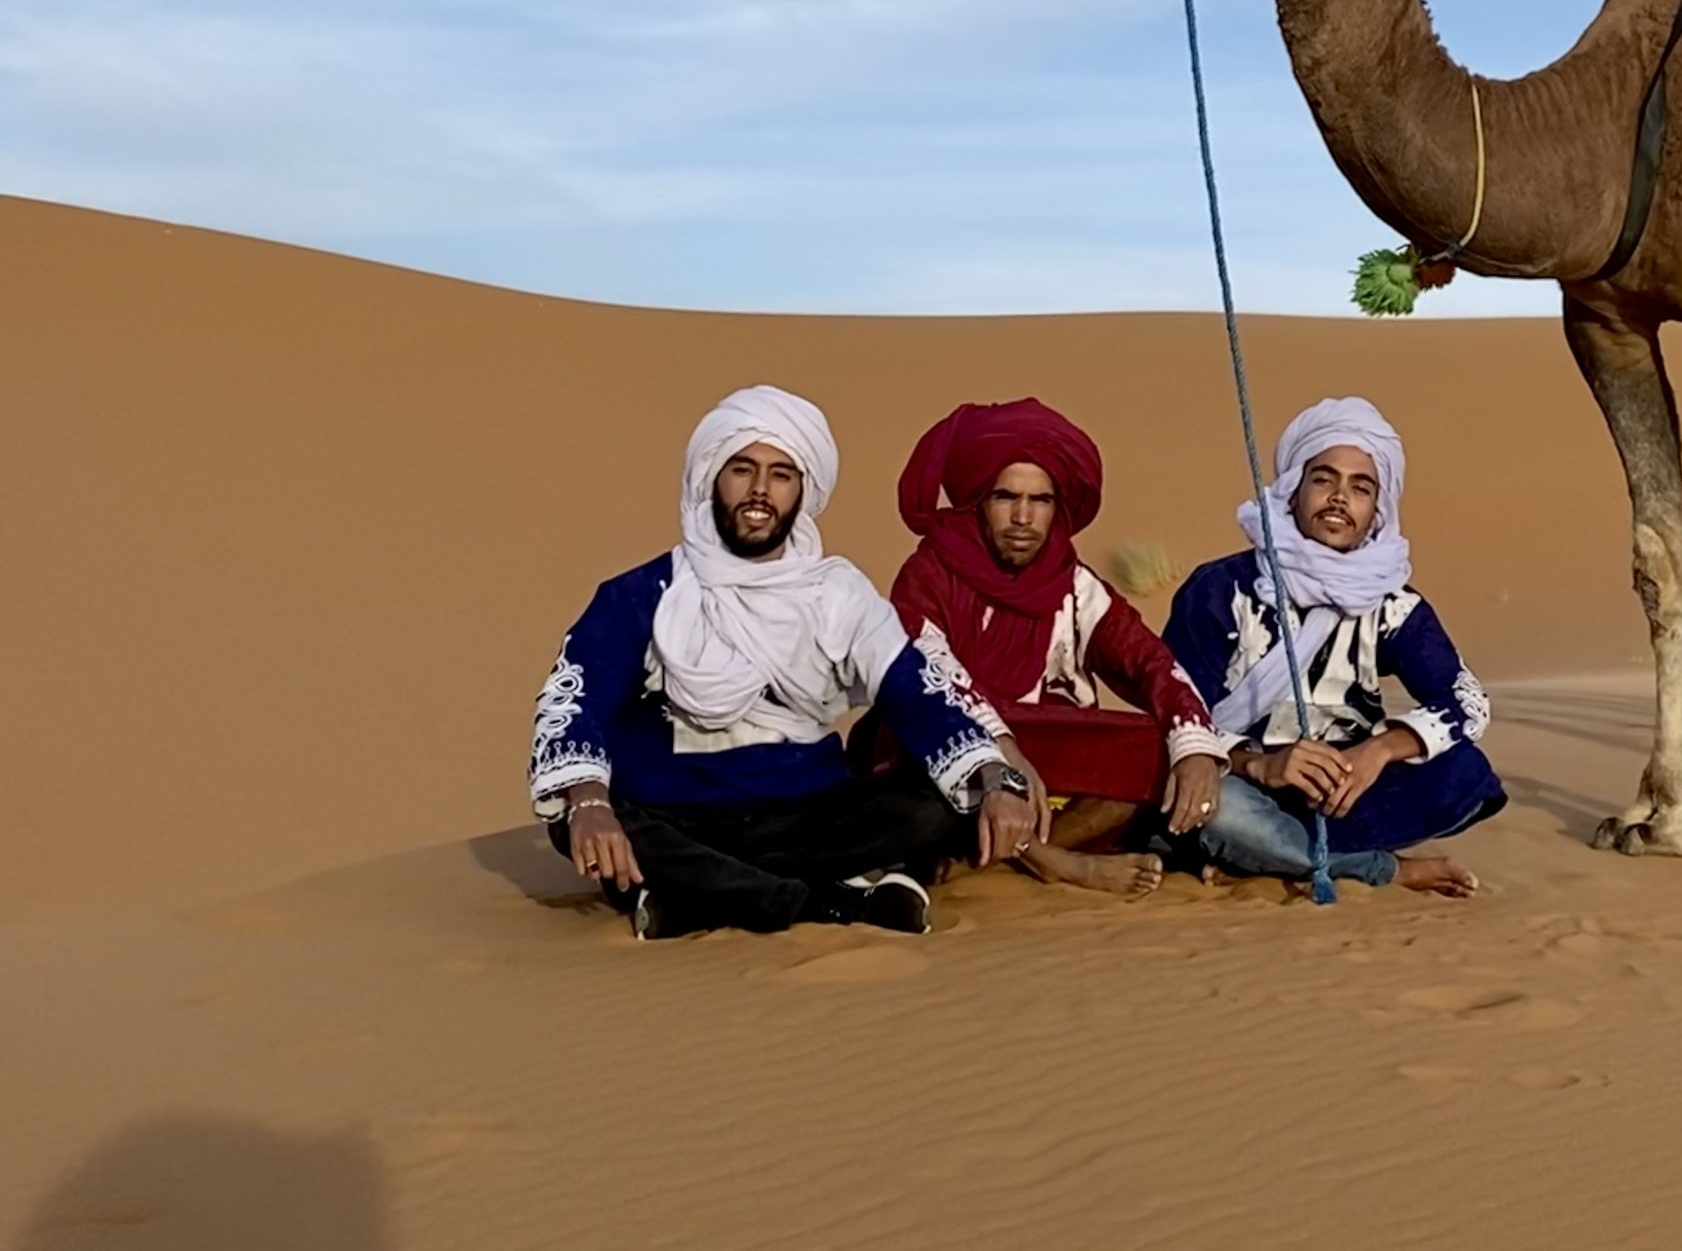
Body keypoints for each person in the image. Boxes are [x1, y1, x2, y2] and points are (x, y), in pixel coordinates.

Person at [526, 385, 1044, 940]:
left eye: (780, 475)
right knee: (576, 819)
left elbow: (917, 691)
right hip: (678, 813)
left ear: (802, 490)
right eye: (742, 470)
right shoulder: (641, 594)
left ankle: (702, 896)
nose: (759, 492)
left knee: (939, 803)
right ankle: (822, 900)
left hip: (808, 814)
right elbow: (577, 697)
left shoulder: (839, 594)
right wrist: (588, 801)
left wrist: (993, 776)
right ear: (710, 479)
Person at [1163, 396, 1504, 897]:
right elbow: (1177, 712)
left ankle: (1268, 857)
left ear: (1376, 511)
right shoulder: (1223, 589)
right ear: (1294, 490)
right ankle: (1380, 868)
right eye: (1324, 479)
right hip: (1245, 776)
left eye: (1361, 487)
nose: (1340, 497)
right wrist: (1262, 765)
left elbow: (1467, 704)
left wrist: (1379, 750)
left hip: (1341, 789)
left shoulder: (1391, 602)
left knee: (1464, 772)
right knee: (1223, 810)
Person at [891, 398, 1227, 897]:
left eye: (1041, 500)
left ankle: (996, 858)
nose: (1023, 517)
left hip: (1048, 744)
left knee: (1155, 750)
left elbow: (1148, 662)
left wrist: (1194, 745)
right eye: (1006, 497)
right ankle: (1058, 863)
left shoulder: (1074, 585)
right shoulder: (928, 575)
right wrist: (999, 754)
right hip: (961, 742)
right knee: (903, 750)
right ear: (979, 499)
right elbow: (929, 678)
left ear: (1058, 508)